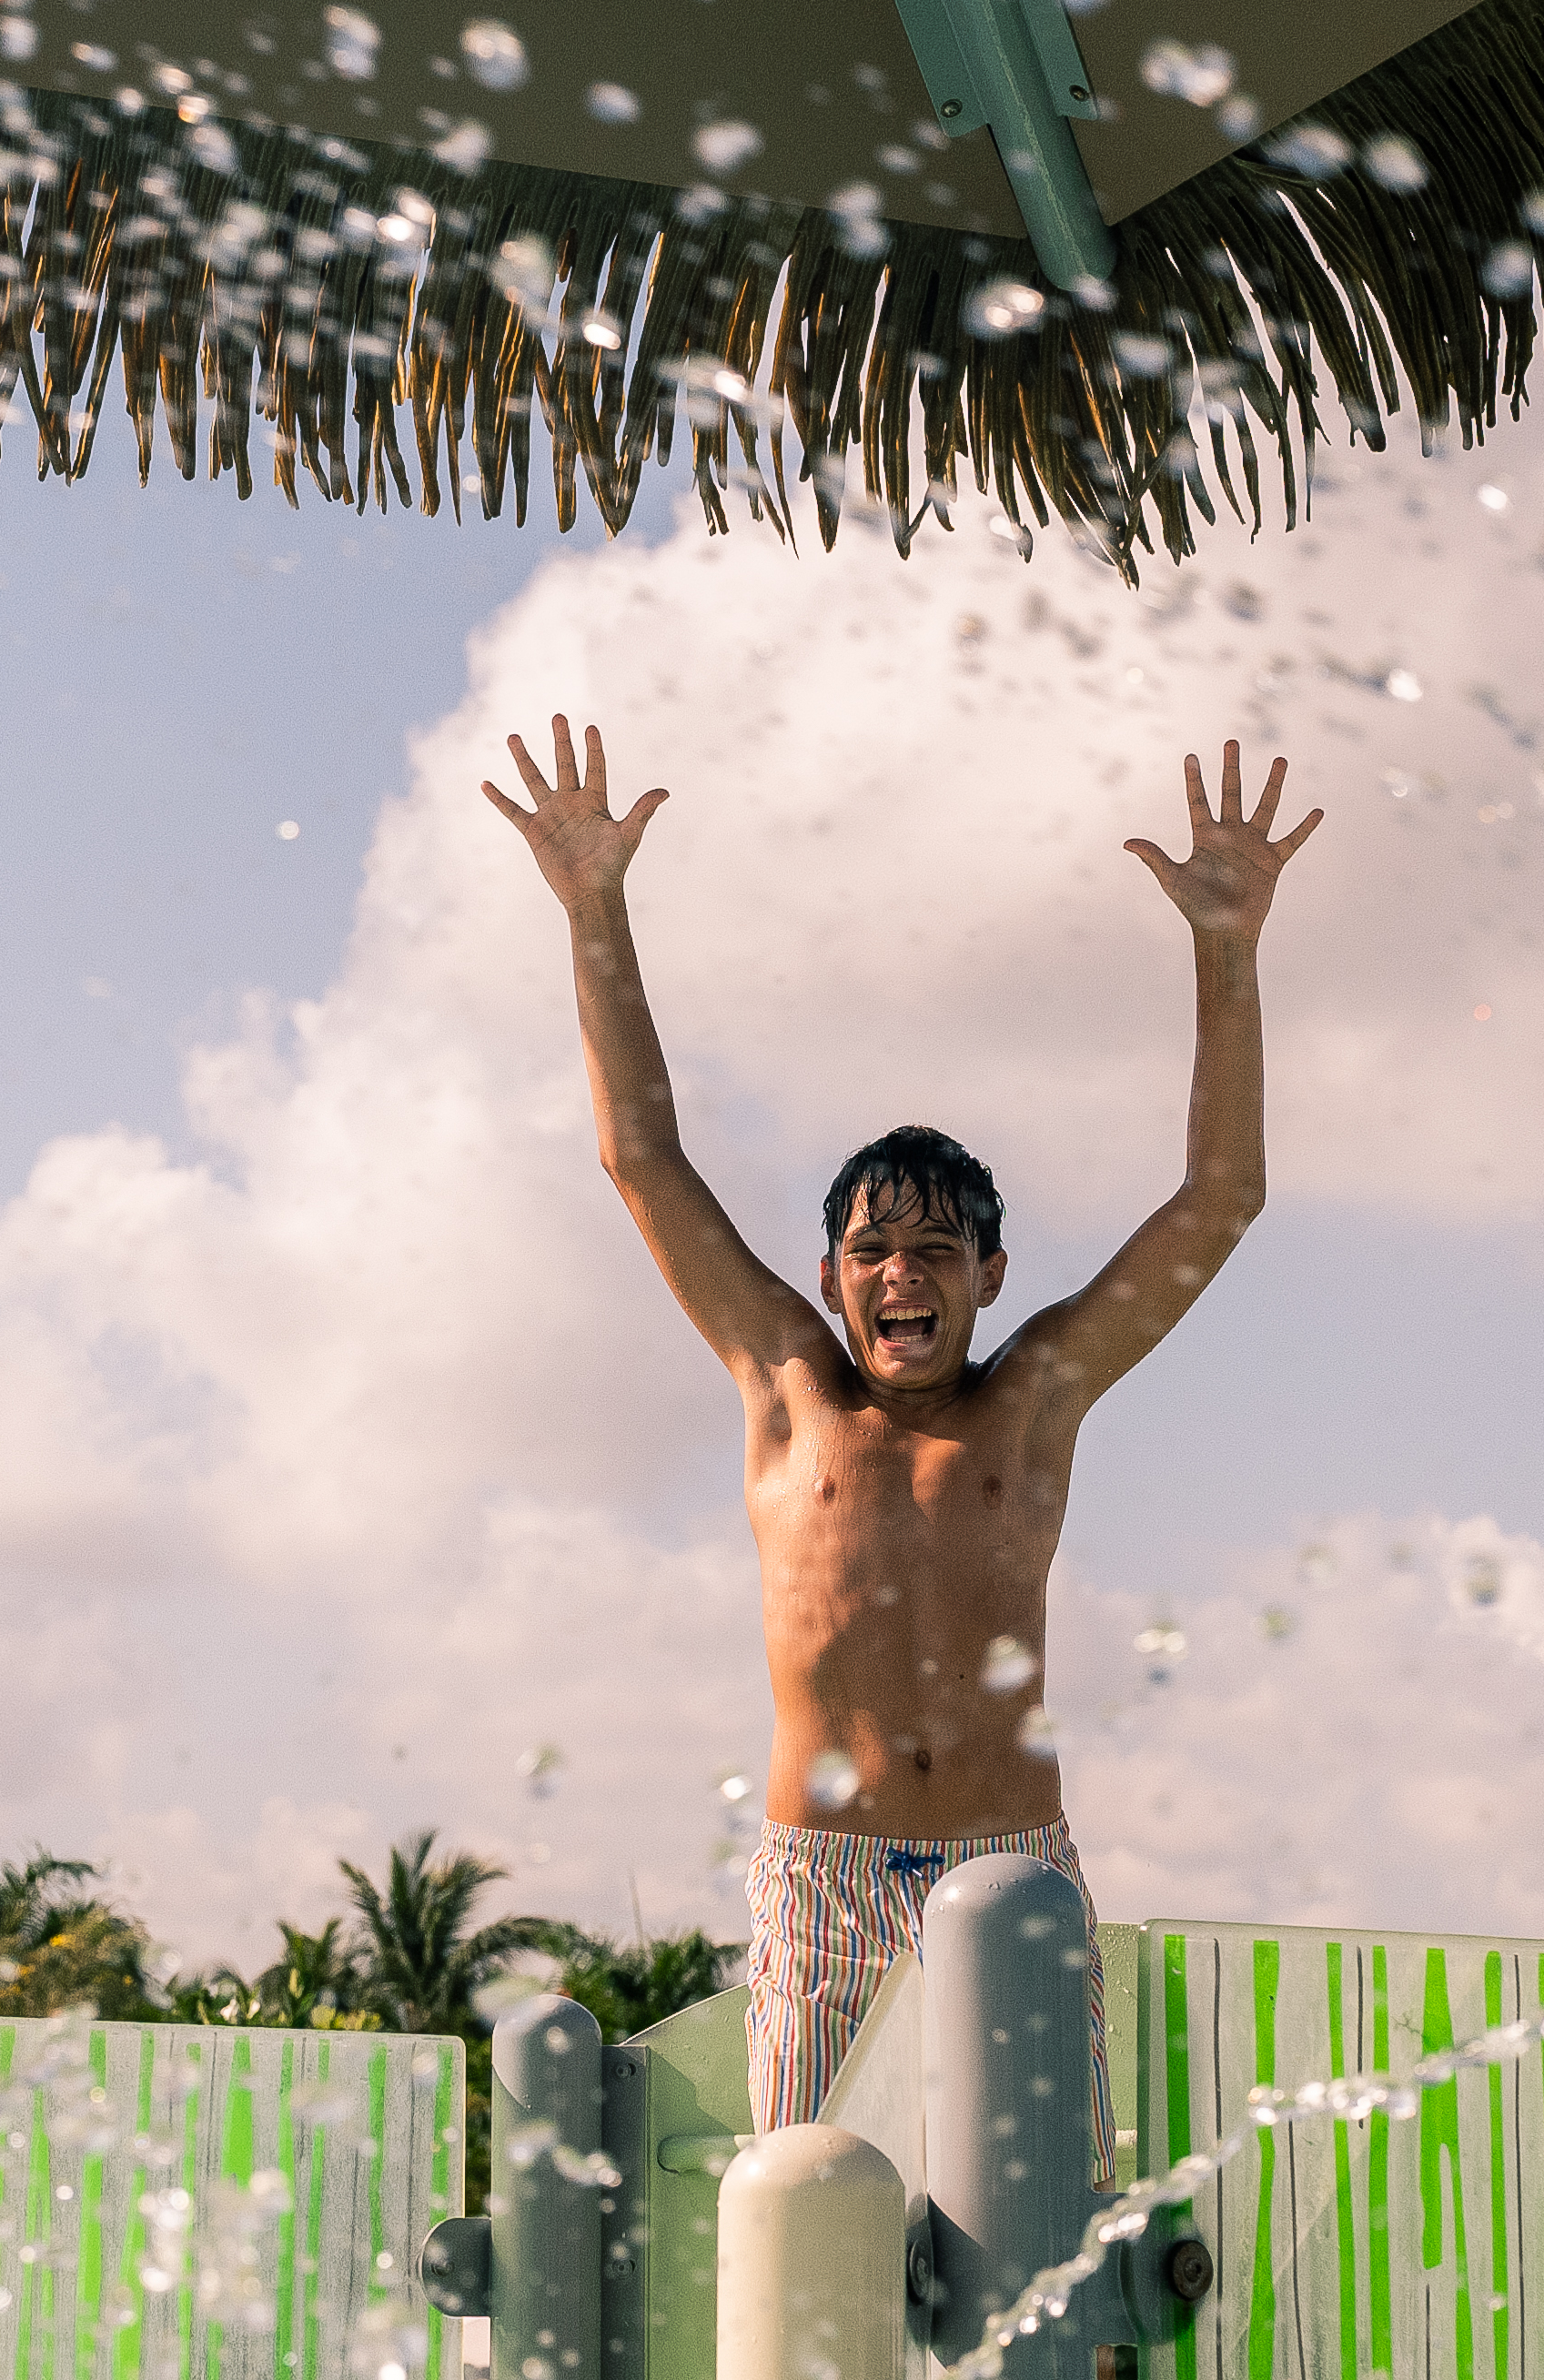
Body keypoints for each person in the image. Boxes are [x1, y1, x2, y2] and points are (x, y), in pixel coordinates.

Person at [480, 711, 1315, 2123]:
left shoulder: (1036, 1394)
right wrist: (595, 906)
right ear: (828, 1279)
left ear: (990, 1276)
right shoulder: (790, 1391)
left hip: (1015, 1873)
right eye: (872, 1252)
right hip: (825, 1886)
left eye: (936, 1252)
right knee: (816, 2240)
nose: (900, 1275)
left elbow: (1221, 1196)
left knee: (1054, 2239)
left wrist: (1224, 946)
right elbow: (641, 1156)